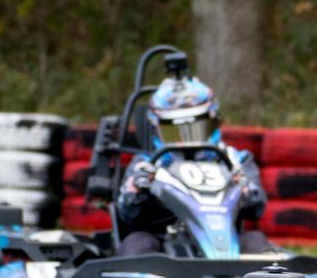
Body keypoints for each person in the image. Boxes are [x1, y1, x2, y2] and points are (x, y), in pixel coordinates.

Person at [116, 72, 272, 256]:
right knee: (137, 242)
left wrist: (245, 189)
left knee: (255, 240)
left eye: (196, 129)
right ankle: (143, 274)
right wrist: (137, 190)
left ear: (213, 123)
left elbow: (256, 208)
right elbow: (127, 214)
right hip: (164, 244)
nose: (186, 141)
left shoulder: (235, 159)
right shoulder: (146, 164)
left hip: (227, 243)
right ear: (157, 130)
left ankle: (262, 273)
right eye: (175, 132)